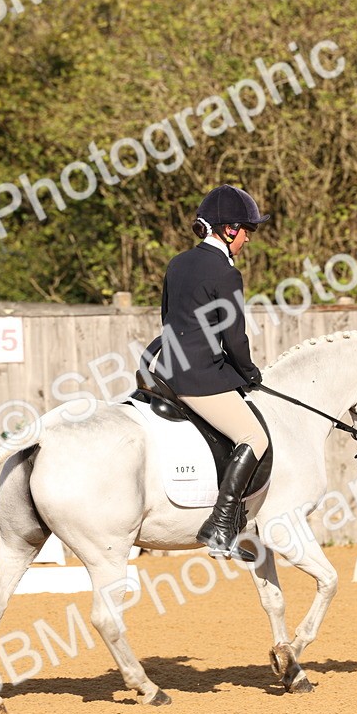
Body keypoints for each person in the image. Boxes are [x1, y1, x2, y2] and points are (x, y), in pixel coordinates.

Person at [145, 185, 271, 563]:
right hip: (199, 378)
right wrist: (250, 374)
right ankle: (220, 524)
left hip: (164, 370)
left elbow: (167, 319)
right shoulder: (226, 274)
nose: (249, 238)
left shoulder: (177, 263)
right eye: (247, 229)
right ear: (230, 230)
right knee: (254, 435)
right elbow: (234, 338)